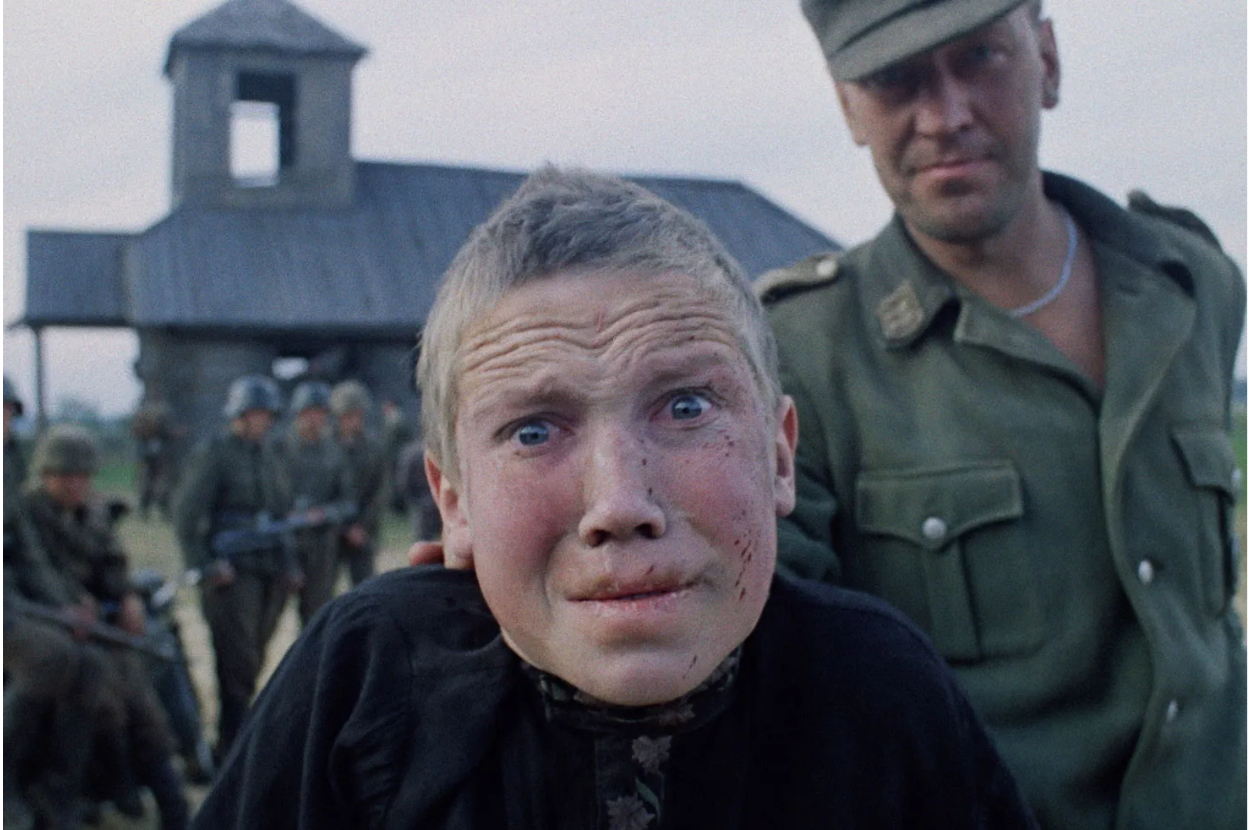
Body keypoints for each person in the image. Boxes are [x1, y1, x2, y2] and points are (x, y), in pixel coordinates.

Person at [193, 167, 1038, 829]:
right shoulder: (365, 684)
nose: (620, 502)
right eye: (533, 431)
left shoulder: (881, 691)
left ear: (780, 459)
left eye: (686, 407)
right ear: (454, 506)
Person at [759, 2, 1246, 828]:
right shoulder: (795, 359)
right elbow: (763, 685)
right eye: (895, 80)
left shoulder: (1192, 285)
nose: (946, 116)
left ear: (1047, 59)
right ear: (847, 106)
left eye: (980, 57)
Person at [12, 425, 189, 829]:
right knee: (101, 689)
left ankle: (170, 804)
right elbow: (29, 576)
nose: (76, 485)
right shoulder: (29, 516)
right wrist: (66, 607)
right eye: (66, 477)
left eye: (83, 477)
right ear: (46, 475)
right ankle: (76, 794)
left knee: (141, 700)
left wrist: (125, 595)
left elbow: (110, 561)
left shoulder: (89, 515)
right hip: (48, 631)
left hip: (95, 628)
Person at [172, 373, 297, 764]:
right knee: (236, 665)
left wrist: (289, 565)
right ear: (239, 414)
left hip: (268, 571)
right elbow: (186, 516)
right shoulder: (216, 453)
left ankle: (235, 745)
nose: (263, 421)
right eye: (255, 413)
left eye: (267, 414)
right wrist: (206, 566)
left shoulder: (271, 457)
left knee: (254, 659)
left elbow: (281, 515)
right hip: (231, 574)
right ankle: (231, 751)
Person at [272, 380, 359, 623]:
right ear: (298, 414)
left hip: (321, 544)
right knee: (268, 616)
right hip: (281, 542)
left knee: (316, 617)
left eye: (321, 414)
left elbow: (347, 501)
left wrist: (325, 513)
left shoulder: (334, 452)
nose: (315, 420)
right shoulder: (278, 448)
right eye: (309, 413)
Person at [329, 380, 388, 585]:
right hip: (330, 531)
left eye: (358, 415)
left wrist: (362, 526)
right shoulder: (325, 446)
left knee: (366, 586)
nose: (353, 421)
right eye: (347, 416)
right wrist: (342, 527)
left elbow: (379, 491)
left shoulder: (373, 448)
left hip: (363, 530)